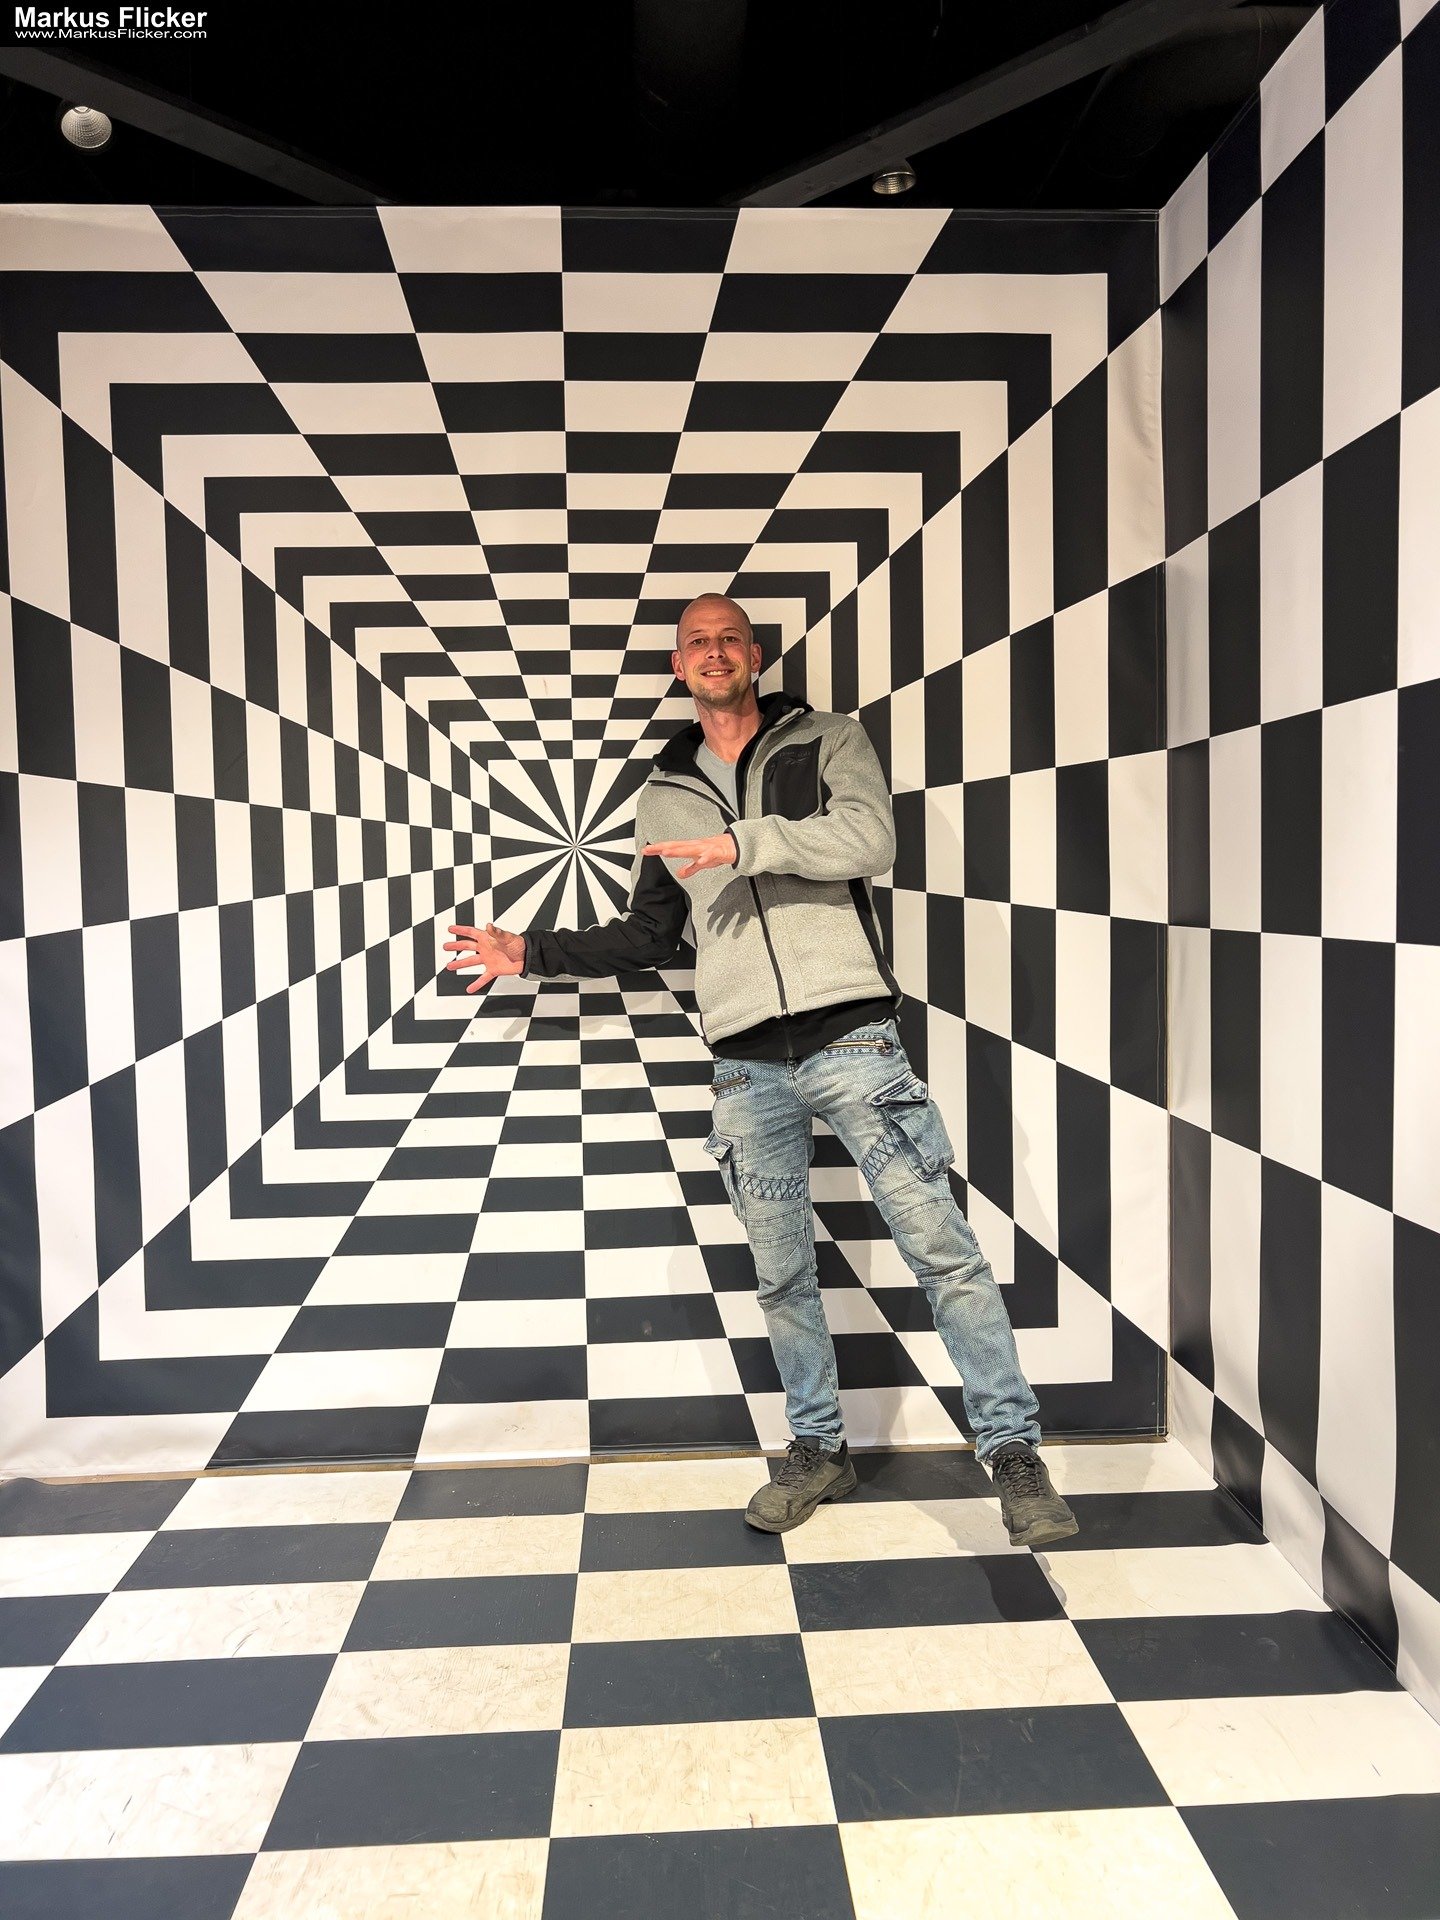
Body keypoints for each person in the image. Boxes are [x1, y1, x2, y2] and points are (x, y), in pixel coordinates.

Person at [443, 593, 1078, 1549]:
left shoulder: (827, 739)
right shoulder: (662, 792)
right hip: (744, 1060)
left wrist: (745, 843)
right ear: (678, 665)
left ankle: (1013, 1453)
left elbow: (869, 840)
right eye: (696, 642)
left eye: (729, 638)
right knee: (781, 1276)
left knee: (942, 1250)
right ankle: (817, 1448)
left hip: (854, 1038)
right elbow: (652, 934)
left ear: (754, 653)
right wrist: (529, 953)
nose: (714, 652)